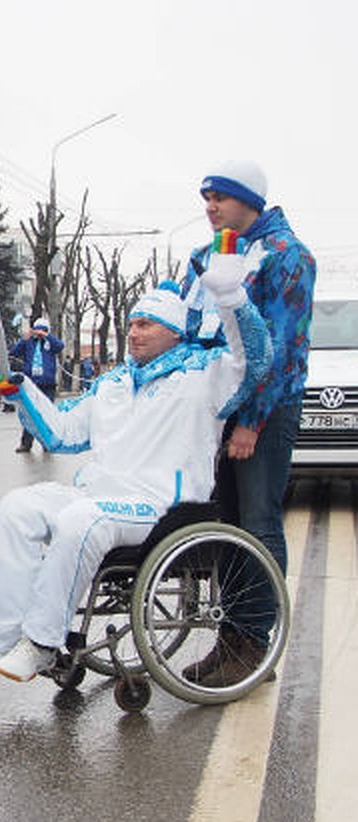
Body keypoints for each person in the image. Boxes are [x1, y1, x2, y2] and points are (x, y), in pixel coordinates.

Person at [0, 259, 272, 684]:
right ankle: (4, 637)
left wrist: (233, 298)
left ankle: (41, 644)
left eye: (146, 324)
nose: (135, 332)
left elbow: (255, 361)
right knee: (17, 507)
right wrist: (21, 392)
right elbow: (62, 435)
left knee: (81, 521)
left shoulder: (204, 374)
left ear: (175, 331)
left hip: (159, 504)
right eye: (131, 324)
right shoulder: (113, 384)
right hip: (99, 495)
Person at [179, 160, 315, 685]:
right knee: (225, 524)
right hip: (216, 403)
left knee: (257, 521)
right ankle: (228, 638)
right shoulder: (209, 255)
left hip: (266, 407)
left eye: (221, 197)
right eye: (206, 197)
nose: (210, 207)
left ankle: (254, 642)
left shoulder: (286, 256)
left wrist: (252, 420)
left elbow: (282, 348)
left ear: (250, 201)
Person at [9, 317, 64, 452]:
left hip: (47, 384)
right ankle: (26, 443)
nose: (39, 333)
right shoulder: (29, 343)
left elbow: (60, 346)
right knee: (29, 413)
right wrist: (25, 339)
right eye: (37, 329)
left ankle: (47, 442)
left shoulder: (50, 343)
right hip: (31, 384)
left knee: (47, 414)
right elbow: (14, 352)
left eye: (43, 330)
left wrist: (47, 336)